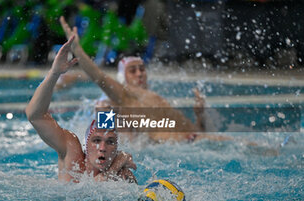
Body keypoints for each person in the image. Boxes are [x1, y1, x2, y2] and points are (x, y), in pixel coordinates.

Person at [57, 16, 232, 143]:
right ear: (122, 79)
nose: (140, 74)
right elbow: (99, 77)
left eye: (142, 69)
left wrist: (199, 115)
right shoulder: (124, 97)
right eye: (132, 71)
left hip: (194, 141)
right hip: (184, 147)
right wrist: (78, 51)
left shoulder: (155, 99)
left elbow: (197, 132)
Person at [25, 36, 137, 183]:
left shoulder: (121, 175)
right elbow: (35, 115)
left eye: (110, 142)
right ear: (86, 144)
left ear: (116, 149)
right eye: (96, 140)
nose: (102, 148)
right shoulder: (73, 155)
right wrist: (54, 73)